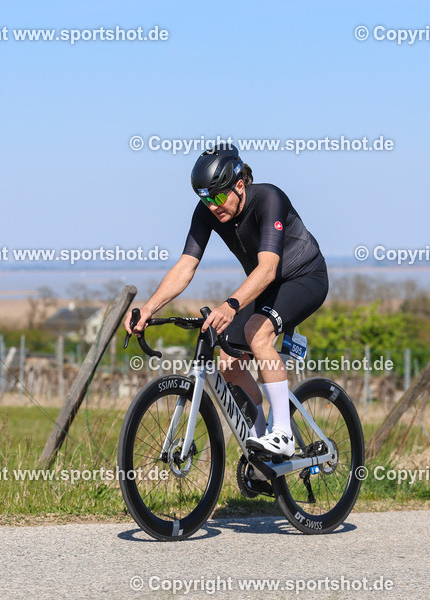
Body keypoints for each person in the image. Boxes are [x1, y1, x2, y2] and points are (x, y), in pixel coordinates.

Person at [124, 143, 328, 458]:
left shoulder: (268, 198)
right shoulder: (208, 211)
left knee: (257, 334)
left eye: (219, 196)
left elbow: (269, 267)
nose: (213, 206)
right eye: (205, 199)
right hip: (264, 287)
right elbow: (186, 266)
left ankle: (284, 435)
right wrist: (149, 308)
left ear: (240, 185)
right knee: (228, 361)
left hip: (304, 278)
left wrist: (231, 305)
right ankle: (260, 452)